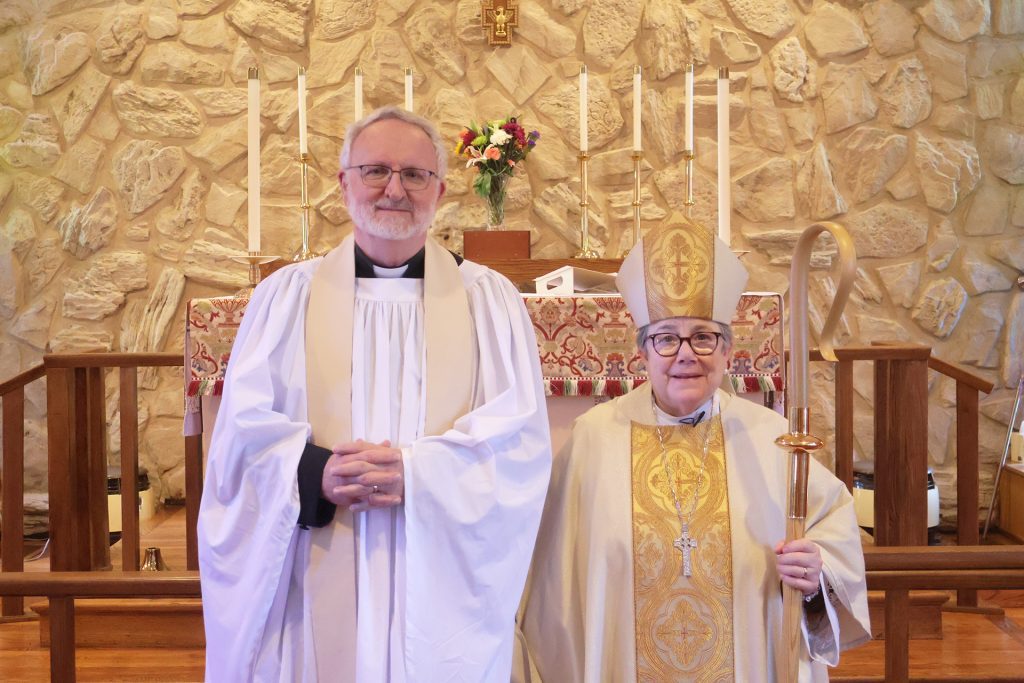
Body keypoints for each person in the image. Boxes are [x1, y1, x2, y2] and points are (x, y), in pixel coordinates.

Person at [198, 106, 552, 683]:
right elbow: (241, 442)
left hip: (437, 583)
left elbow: (517, 450)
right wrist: (315, 474)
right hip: (310, 581)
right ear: (344, 183)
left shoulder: (489, 301)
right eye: (376, 171)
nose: (395, 189)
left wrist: (420, 475)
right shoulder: (286, 298)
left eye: (414, 175)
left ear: (439, 191)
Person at [518, 217, 870, 682]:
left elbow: (830, 530)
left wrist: (815, 573)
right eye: (666, 338)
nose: (686, 354)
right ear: (642, 353)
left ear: (728, 352)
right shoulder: (592, 438)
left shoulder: (773, 438)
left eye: (704, 337)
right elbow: (553, 589)